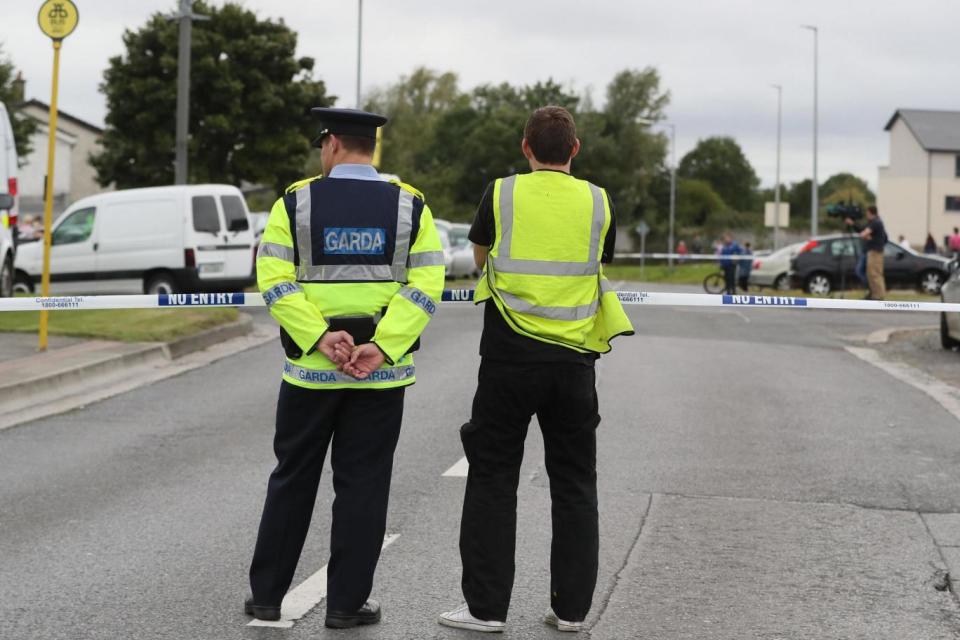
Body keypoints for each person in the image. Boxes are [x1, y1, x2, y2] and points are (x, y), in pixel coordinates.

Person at [246, 108, 445, 629]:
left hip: (310, 375)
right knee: (363, 486)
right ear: (370, 147)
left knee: (292, 478)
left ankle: (267, 597)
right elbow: (426, 285)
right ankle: (345, 605)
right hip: (379, 377)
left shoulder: (295, 201)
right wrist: (382, 345)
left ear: (332, 143)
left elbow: (273, 278)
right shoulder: (410, 205)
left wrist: (318, 335)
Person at [438, 106, 634, 634]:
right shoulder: (598, 201)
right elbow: (599, 261)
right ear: (575, 149)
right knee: (574, 483)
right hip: (574, 361)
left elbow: (481, 257)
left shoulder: (501, 193)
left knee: (493, 478)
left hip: (508, 357)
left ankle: (485, 610)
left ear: (526, 147)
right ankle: (570, 611)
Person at [846, 206, 887, 300]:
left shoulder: (876, 222)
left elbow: (863, 233)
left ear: (871, 213)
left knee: (875, 274)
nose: (866, 215)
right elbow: (863, 231)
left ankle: (879, 295)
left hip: (875, 252)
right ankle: (874, 294)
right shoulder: (873, 222)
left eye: (867, 213)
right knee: (870, 273)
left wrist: (866, 236)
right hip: (871, 251)